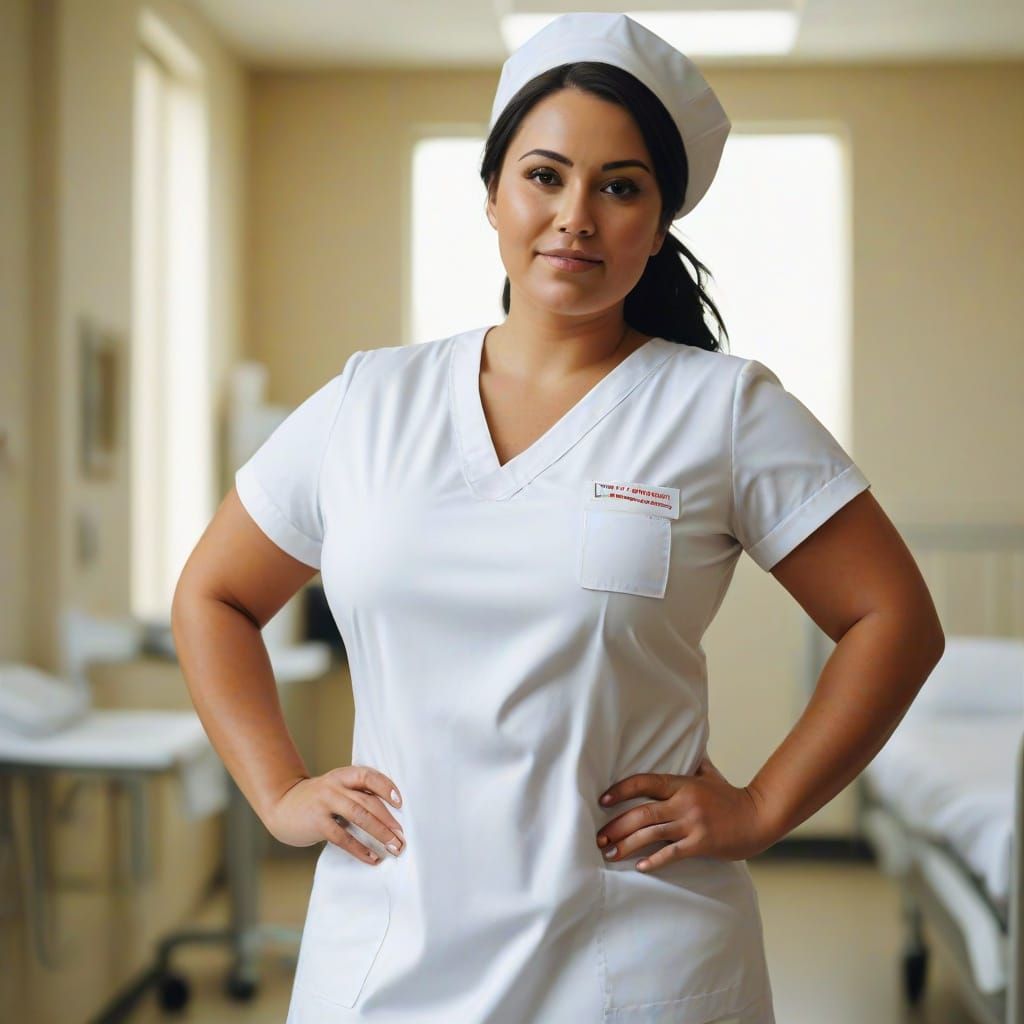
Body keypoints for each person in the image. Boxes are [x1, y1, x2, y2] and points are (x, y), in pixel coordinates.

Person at [171, 12, 945, 1024]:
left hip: (632, 955)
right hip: (387, 948)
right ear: (491, 195)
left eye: (619, 187)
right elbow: (214, 595)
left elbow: (894, 618)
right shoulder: (369, 402)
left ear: (659, 220)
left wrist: (759, 807)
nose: (575, 215)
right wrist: (276, 788)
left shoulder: (721, 408)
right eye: (544, 176)